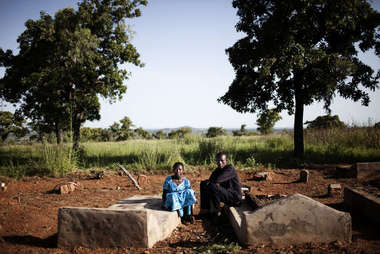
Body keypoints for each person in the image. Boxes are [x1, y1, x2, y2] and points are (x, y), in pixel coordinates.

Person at [199, 152, 242, 219]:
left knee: (213, 186)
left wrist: (211, 183)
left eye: (222, 160)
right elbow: (210, 181)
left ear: (226, 161)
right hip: (226, 194)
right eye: (218, 161)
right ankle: (204, 210)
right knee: (203, 184)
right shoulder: (217, 170)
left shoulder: (230, 169)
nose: (220, 162)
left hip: (234, 197)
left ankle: (216, 213)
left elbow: (217, 180)